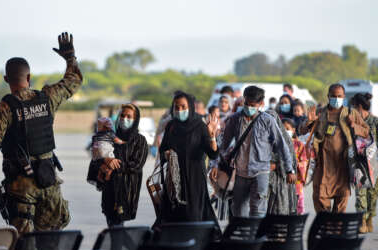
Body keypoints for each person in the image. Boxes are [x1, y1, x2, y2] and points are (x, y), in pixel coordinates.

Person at [0, 32, 82, 250]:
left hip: (21, 189)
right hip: (50, 184)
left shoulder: (3, 109)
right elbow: (73, 80)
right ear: (29, 77)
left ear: (6, 80)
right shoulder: (47, 99)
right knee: (52, 248)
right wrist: (70, 58)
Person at [218, 86, 296, 217]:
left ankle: (254, 237)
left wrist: (289, 170)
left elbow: (282, 146)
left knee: (258, 212)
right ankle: (243, 236)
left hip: (260, 173)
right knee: (238, 211)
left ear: (261, 104)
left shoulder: (267, 121)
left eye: (253, 105)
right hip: (240, 174)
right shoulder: (235, 119)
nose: (248, 108)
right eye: (246, 104)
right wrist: (215, 164)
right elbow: (224, 146)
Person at [300, 83, 369, 213]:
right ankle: (325, 228)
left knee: (341, 203)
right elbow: (302, 131)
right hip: (323, 166)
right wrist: (309, 121)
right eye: (333, 96)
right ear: (328, 96)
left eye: (339, 96)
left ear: (344, 97)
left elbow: (366, 131)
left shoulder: (351, 113)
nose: (336, 99)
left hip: (343, 166)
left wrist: (354, 125)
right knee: (319, 199)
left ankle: (336, 230)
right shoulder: (320, 113)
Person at [159, 91, 219, 225]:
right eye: (176, 107)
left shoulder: (200, 126)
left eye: (183, 107)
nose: (180, 110)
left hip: (195, 180)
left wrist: (212, 136)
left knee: (194, 217)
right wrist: (166, 154)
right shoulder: (171, 126)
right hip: (175, 181)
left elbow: (213, 154)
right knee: (173, 220)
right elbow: (162, 149)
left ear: (190, 107)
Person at [90, 104, 148, 227]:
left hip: (127, 191)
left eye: (129, 116)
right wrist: (105, 160)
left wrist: (113, 165)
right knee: (113, 226)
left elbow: (136, 165)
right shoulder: (109, 137)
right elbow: (95, 158)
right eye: (122, 115)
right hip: (109, 190)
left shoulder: (140, 140)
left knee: (118, 228)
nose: (124, 119)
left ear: (135, 119)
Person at [351, 93, 378, 232]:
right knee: (360, 192)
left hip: (374, 164)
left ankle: (369, 219)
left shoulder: (375, 121)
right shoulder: (352, 123)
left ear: (359, 107)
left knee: (372, 194)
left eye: (354, 107)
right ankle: (361, 220)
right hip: (359, 164)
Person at [87, 117, 125, 187]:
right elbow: (117, 141)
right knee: (112, 162)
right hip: (105, 151)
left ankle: (99, 175)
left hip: (96, 153)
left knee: (101, 164)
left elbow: (92, 145)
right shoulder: (110, 133)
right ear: (108, 126)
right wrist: (123, 142)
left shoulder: (96, 135)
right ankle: (108, 174)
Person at [283, 118, 307, 214]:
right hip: (282, 179)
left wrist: (295, 163)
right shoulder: (276, 144)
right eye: (282, 128)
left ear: (293, 130)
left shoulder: (299, 144)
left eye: (287, 128)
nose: (284, 131)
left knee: (298, 204)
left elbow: (304, 162)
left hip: (296, 179)